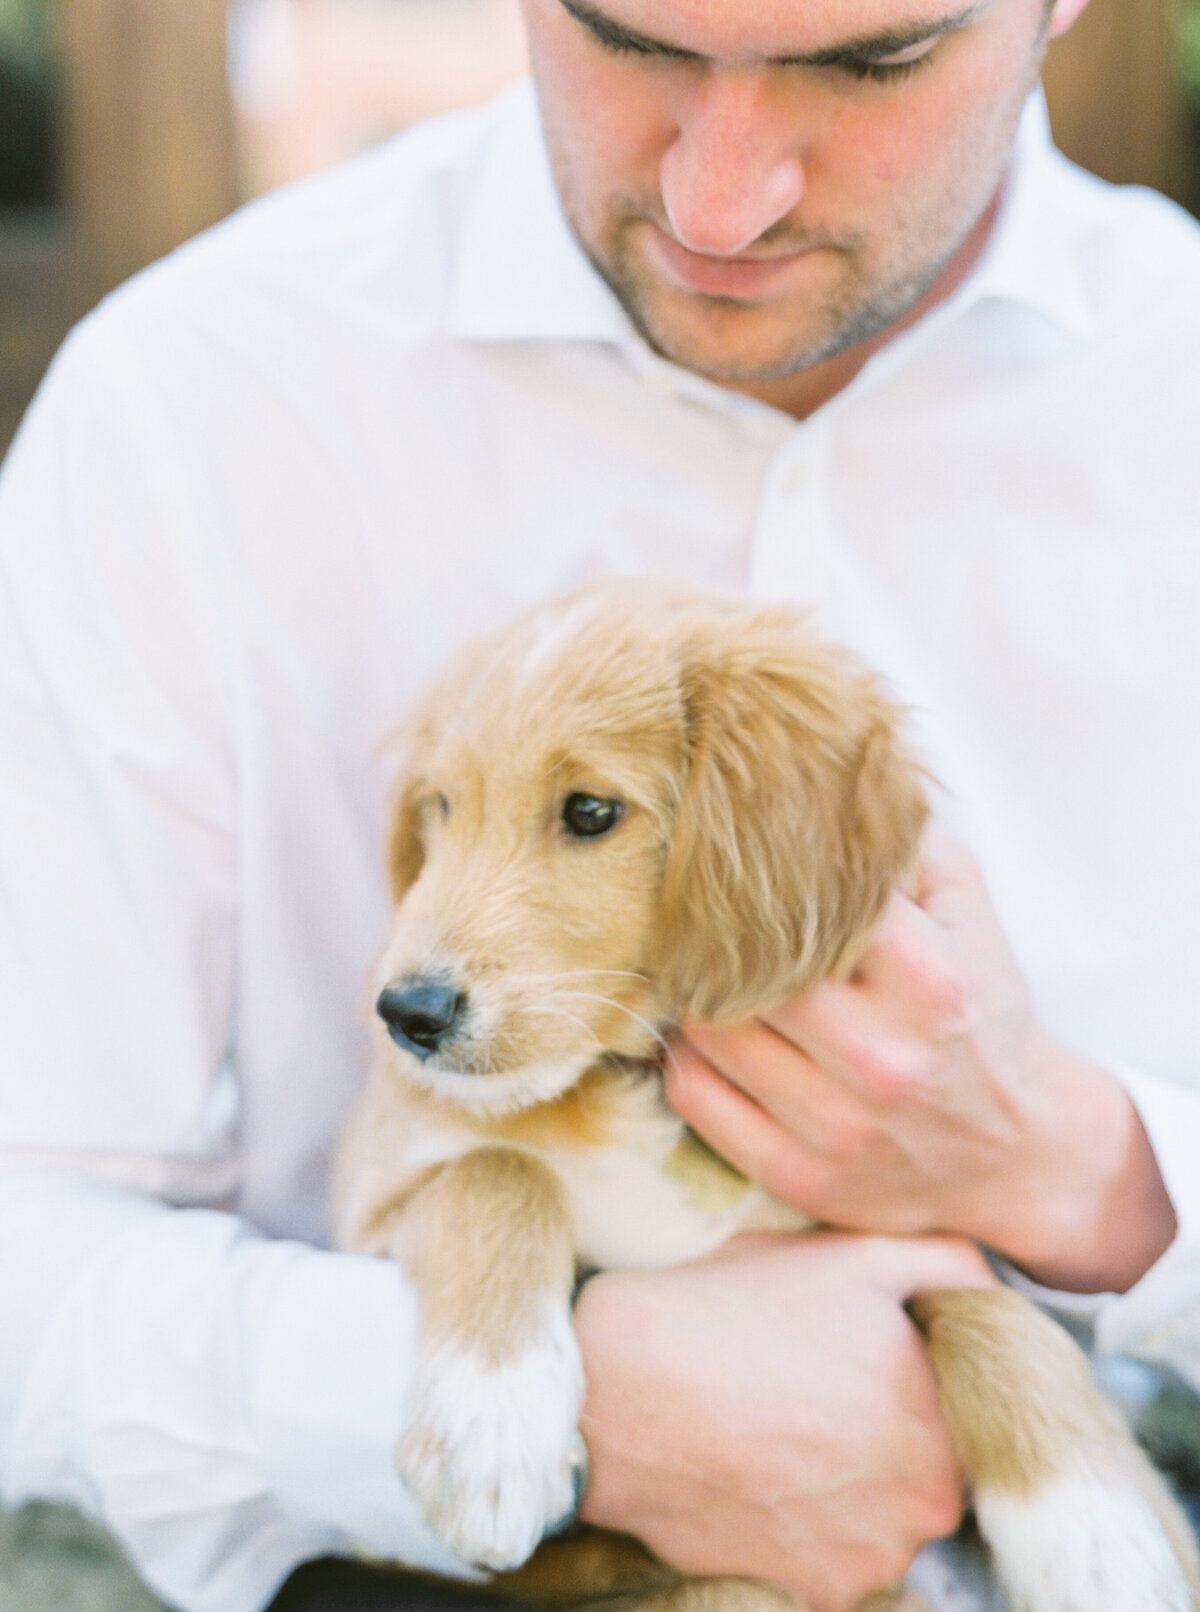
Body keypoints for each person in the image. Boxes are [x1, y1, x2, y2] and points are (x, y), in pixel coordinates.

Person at [0, 0, 1198, 1608]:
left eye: (872, 62)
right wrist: (528, 1397)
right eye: (624, 35)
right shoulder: (197, 403)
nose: (720, 199)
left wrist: (1100, 1181)